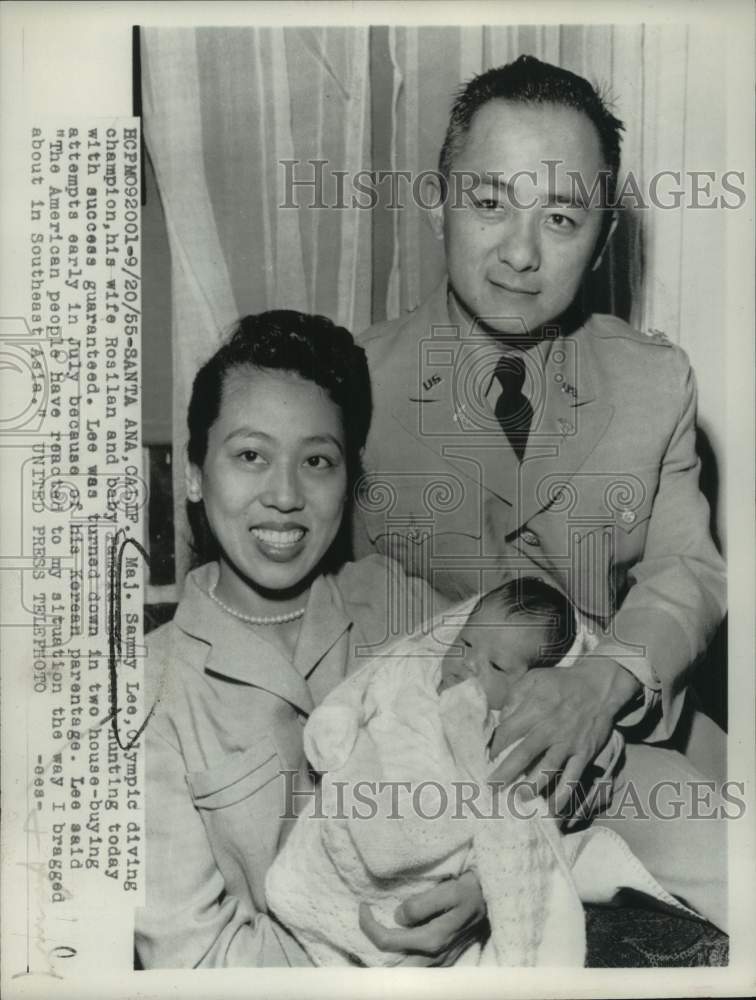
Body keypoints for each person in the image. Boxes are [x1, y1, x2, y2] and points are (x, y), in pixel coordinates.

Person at [354, 55, 728, 930]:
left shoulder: (653, 380)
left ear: (601, 243)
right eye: (490, 204)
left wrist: (599, 685)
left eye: (559, 217)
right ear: (440, 201)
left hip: (628, 751)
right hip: (425, 762)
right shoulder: (352, 383)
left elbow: (688, 575)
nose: (520, 252)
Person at [134, 310, 485, 969]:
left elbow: (562, 730)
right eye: (250, 456)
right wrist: (385, 954)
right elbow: (198, 961)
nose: (286, 495)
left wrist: (490, 881)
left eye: (317, 461)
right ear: (193, 474)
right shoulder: (148, 690)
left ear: (348, 478)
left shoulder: (394, 602)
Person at [265, 578, 694, 967]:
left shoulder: (513, 734)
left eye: (497, 667)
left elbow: (517, 827)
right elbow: (370, 693)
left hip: (429, 859)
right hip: (360, 813)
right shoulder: (417, 672)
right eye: (465, 644)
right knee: (301, 883)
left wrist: (482, 880)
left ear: (534, 686)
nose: (468, 665)